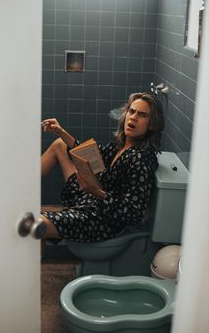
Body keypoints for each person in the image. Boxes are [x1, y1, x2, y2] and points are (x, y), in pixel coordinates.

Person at [40, 92, 165, 243]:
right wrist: (61, 131)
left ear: (152, 124)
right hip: (92, 199)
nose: (133, 117)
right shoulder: (122, 145)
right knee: (60, 144)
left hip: (102, 220)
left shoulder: (140, 159)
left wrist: (96, 191)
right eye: (131, 111)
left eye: (142, 115)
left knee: (37, 224)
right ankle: (18, 193)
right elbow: (90, 154)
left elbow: (134, 213)